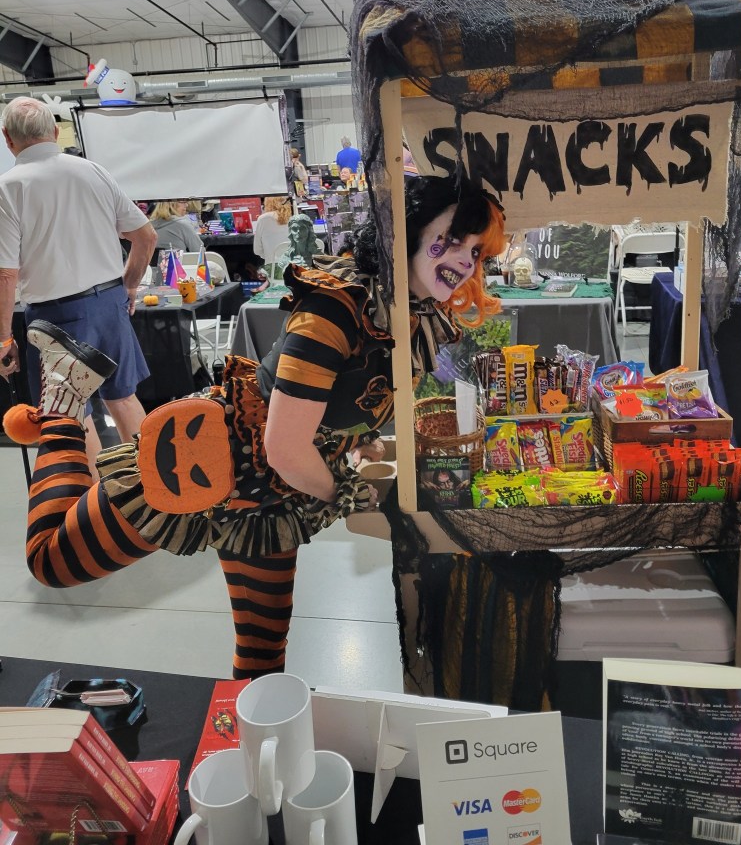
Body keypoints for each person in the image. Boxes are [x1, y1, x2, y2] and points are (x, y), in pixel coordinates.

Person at [15, 176, 506, 679]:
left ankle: (257, 724)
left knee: (263, 649)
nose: (465, 262)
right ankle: (62, 402)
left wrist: (357, 439)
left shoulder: (413, 312)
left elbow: (346, 399)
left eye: (476, 251)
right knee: (52, 561)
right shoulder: (335, 308)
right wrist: (341, 492)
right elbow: (286, 449)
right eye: (452, 240)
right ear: (407, 232)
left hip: (266, 500)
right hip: (206, 455)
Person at [0, 97, 156, 478]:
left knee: (70, 415)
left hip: (56, 317)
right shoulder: (93, 171)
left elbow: (5, 275)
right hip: (109, 303)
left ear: (8, 139)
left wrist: (3, 338)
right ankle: (157, 487)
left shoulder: (8, 188)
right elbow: (146, 237)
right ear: (55, 132)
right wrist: (129, 287)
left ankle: (99, 500)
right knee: (123, 398)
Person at [252, 196, 292, 267]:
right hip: (295, 269)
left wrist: (270, 257)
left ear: (267, 203)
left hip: (273, 269)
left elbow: (257, 250)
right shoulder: (296, 219)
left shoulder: (263, 219)